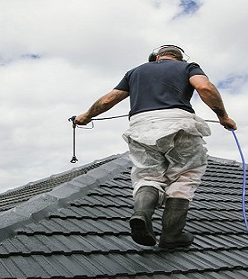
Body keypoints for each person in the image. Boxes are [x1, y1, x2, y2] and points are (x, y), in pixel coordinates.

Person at [74, 45, 237, 248]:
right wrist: (223, 117)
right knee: (185, 175)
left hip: (141, 127)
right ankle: (172, 235)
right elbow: (204, 87)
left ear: (156, 57)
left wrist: (86, 116)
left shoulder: (135, 71)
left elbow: (109, 99)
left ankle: (141, 215)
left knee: (148, 176)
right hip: (179, 124)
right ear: (180, 58)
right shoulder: (188, 67)